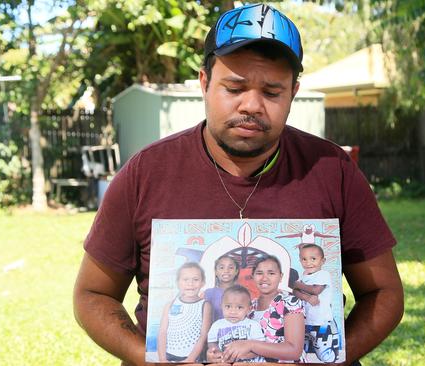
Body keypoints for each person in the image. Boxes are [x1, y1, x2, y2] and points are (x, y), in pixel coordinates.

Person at [73, 3, 404, 366]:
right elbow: (92, 294)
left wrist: (330, 359)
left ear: (293, 93)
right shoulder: (146, 173)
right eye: (234, 87)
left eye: (272, 92)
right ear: (204, 83)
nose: (252, 105)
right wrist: (152, 358)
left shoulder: (332, 171)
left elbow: (383, 292)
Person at [221, 255, 306, 362]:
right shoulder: (249, 307)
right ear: (253, 276)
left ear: (280, 276)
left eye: (271, 273)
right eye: (259, 273)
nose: (264, 278)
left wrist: (251, 345)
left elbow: (294, 351)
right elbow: (242, 346)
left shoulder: (290, 302)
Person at [293, 244, 341, 362]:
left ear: (322, 260)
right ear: (300, 260)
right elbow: (295, 292)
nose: (308, 263)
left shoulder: (323, 275)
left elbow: (316, 290)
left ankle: (330, 356)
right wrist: (307, 298)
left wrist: (298, 285)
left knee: (323, 351)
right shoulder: (304, 275)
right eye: (304, 259)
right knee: (302, 348)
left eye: (313, 259)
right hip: (306, 320)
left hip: (321, 321)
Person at [157, 262, 212, 362]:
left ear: (203, 282)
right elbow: (162, 332)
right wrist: (162, 358)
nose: (190, 283)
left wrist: (189, 359)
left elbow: (203, 335)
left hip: (192, 358)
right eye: (185, 279)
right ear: (178, 282)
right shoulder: (170, 304)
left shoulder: (205, 305)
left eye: (195, 279)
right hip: (168, 356)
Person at [206, 285, 265, 363]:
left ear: (249, 309)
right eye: (228, 306)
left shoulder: (253, 325)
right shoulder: (217, 325)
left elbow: (260, 348)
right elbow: (211, 342)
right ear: (221, 306)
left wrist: (243, 355)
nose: (233, 312)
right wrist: (215, 351)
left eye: (239, 307)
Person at [205, 255, 240, 322]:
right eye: (221, 267)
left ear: (236, 271)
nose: (226, 270)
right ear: (216, 272)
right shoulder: (208, 293)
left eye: (231, 267)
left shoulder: (242, 293)